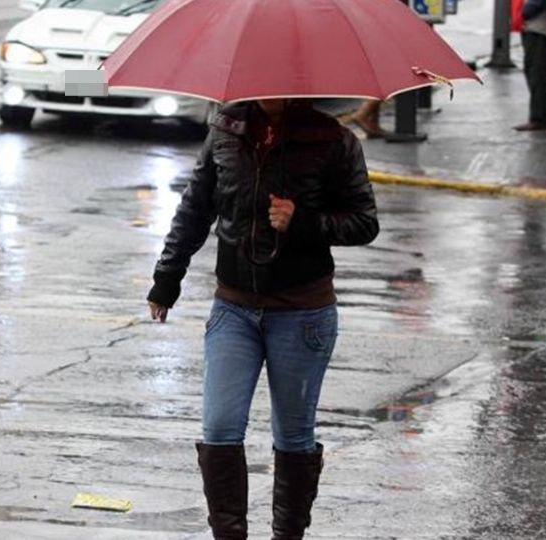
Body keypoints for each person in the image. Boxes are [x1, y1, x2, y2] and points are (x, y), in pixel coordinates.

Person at [146, 98, 379, 539]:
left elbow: (365, 222)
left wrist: (303, 221)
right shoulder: (226, 132)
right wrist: (167, 278)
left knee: (293, 436)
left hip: (302, 312)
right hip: (233, 307)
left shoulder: (332, 140)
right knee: (219, 427)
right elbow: (195, 209)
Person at [517, 0, 546, 131]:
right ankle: (538, 117)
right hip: (533, 29)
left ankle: (540, 119)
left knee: (538, 76)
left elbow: (534, 6)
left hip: (539, 31)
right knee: (534, 73)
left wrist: (524, 10)